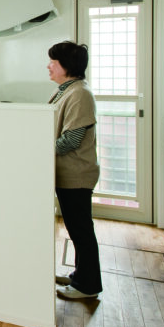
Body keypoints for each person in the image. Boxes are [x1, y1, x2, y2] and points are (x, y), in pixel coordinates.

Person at [47, 41, 103, 299]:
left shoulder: (80, 94)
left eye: (53, 62)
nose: (49, 66)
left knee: (80, 230)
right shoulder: (67, 90)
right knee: (77, 228)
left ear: (67, 66)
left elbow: (71, 139)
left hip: (77, 174)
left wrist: (40, 150)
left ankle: (87, 286)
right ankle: (80, 275)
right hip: (68, 173)